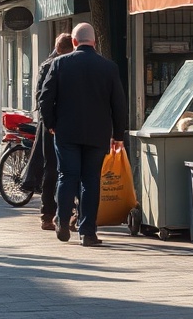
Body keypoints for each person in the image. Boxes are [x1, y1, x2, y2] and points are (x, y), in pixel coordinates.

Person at [38, 22, 127, 247]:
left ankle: (63, 221)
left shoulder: (58, 64)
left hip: (66, 132)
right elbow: (118, 104)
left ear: (75, 42)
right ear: (94, 42)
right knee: (90, 181)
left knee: (66, 176)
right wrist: (118, 135)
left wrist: (51, 124)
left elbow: (45, 98)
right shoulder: (109, 68)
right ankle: (88, 232)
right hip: (97, 134)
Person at [24, 32, 73, 230]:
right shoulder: (49, 66)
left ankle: (62, 213)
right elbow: (41, 98)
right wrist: (50, 123)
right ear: (60, 49)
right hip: (51, 126)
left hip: (60, 124)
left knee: (61, 169)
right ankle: (48, 213)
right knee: (51, 168)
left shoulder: (67, 64)